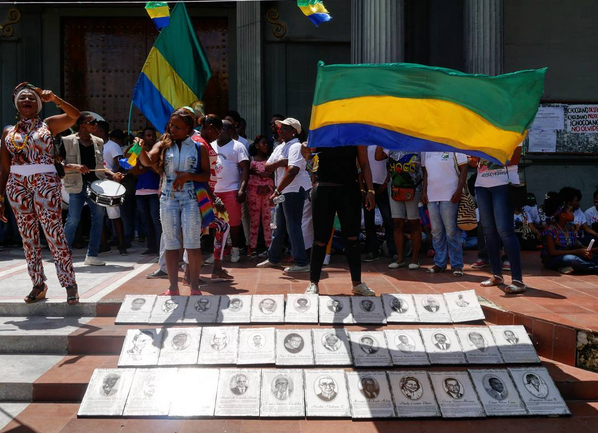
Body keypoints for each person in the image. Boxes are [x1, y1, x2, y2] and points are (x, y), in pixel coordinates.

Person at [0, 83, 80, 304]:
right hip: (17, 185)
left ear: (38, 104)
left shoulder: (48, 124)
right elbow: (5, 168)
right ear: (17, 104)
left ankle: (69, 283)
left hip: (44, 182)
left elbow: (75, 116)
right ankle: (38, 284)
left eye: (32, 98)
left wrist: (54, 99)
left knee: (54, 233)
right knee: (28, 237)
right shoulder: (9, 131)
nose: (27, 100)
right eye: (23, 98)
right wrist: (0, 199)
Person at [138, 108, 211, 296]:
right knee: (171, 243)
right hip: (168, 199)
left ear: (188, 128)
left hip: (191, 199)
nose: (172, 129)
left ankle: (194, 287)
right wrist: (139, 149)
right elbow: (148, 162)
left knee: (192, 243)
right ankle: (173, 287)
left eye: (177, 127)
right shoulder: (163, 145)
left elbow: (206, 174)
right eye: (171, 125)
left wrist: (188, 176)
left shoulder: (198, 147)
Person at [303, 142, 376, 295]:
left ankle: (357, 283)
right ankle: (313, 283)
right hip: (323, 190)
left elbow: (364, 163)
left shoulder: (355, 134)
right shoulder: (322, 130)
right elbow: (309, 160)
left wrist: (370, 190)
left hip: (349, 191)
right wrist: (306, 151)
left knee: (352, 238)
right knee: (320, 240)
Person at [61, 112, 123, 266]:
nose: (96, 125)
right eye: (93, 122)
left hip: (96, 185)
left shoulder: (99, 141)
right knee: (73, 220)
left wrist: (112, 174)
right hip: (77, 184)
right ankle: (63, 255)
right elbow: (58, 165)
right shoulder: (67, 141)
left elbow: (101, 166)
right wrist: (74, 166)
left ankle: (92, 255)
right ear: (82, 124)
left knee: (98, 219)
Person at [258, 118, 312, 273]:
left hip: (293, 189)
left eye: (285, 128)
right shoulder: (280, 147)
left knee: (293, 225)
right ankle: (273, 258)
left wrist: (276, 191)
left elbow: (293, 170)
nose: (280, 130)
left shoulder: (295, 146)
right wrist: (282, 162)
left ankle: (301, 262)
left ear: (294, 131)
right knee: (280, 226)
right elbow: (267, 167)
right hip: (285, 190)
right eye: (280, 128)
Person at [471, 148, 526, 294]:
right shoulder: (481, 133)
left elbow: (514, 159)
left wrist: (487, 153)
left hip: (504, 184)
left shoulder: (514, 128)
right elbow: (473, 162)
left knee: (505, 231)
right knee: (488, 231)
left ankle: (518, 280)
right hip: (482, 185)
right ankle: (496, 275)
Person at [197, 114, 233, 282]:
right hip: (202, 196)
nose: (218, 136)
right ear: (210, 128)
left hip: (206, 194)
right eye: (217, 132)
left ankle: (216, 267)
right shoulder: (200, 143)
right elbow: (201, 174)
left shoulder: (201, 142)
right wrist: (213, 197)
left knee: (222, 226)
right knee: (196, 233)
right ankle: (191, 274)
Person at [375, 147, 423, 270]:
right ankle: (400, 259)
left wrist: (424, 191)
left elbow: (425, 169)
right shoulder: (391, 143)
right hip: (395, 189)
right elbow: (378, 156)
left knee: (414, 223)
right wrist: (381, 137)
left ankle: (415, 259)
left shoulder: (417, 145)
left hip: (414, 188)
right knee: (397, 222)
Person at [421, 151, 468, 276]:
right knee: (436, 231)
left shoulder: (453, 146)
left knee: (451, 231)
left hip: (450, 195)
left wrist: (459, 190)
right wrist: (424, 191)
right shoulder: (426, 150)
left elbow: (464, 168)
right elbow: (425, 173)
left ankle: (457, 265)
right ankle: (439, 263)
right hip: (432, 196)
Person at [212, 120, 249, 264]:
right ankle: (217, 251)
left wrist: (242, 189)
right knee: (214, 223)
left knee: (233, 222)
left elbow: (245, 169)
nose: (220, 131)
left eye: (223, 129)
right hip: (214, 191)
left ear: (231, 131)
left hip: (231, 189)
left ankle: (235, 249)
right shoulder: (210, 145)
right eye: (218, 128)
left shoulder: (238, 147)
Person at [541, 196, 598, 274]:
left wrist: (590, 250)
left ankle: (568, 268)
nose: (573, 213)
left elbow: (576, 244)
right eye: (571, 211)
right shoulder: (550, 230)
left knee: (594, 257)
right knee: (571, 259)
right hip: (552, 260)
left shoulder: (570, 227)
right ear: (563, 215)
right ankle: (594, 268)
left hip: (571, 253)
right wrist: (577, 252)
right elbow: (552, 252)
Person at [96, 121, 127, 256]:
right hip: (97, 184)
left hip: (110, 184)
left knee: (114, 215)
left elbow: (119, 165)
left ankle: (121, 245)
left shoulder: (112, 146)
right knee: (98, 216)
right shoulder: (94, 145)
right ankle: (104, 244)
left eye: (95, 129)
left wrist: (113, 175)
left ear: (101, 131)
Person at [130, 127, 161, 255]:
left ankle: (160, 247)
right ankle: (151, 247)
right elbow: (131, 165)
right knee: (146, 221)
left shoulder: (158, 150)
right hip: (140, 191)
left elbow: (158, 169)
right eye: (148, 135)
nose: (151, 138)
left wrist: (147, 162)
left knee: (156, 220)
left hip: (154, 190)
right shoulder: (137, 149)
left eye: (153, 135)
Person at [363, 145, 395, 262]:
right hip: (368, 185)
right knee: (369, 219)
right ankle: (373, 250)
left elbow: (384, 161)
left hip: (381, 185)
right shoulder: (365, 144)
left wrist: (386, 182)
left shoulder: (385, 144)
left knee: (388, 218)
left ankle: (393, 250)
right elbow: (362, 165)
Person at [247, 135, 274, 257]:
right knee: (254, 220)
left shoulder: (271, 159)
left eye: (267, 143)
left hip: (268, 192)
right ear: (257, 145)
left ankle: (270, 246)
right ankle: (252, 247)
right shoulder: (250, 159)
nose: (266, 145)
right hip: (253, 193)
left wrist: (268, 175)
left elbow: (276, 176)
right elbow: (244, 173)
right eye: (263, 143)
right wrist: (252, 172)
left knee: (268, 220)